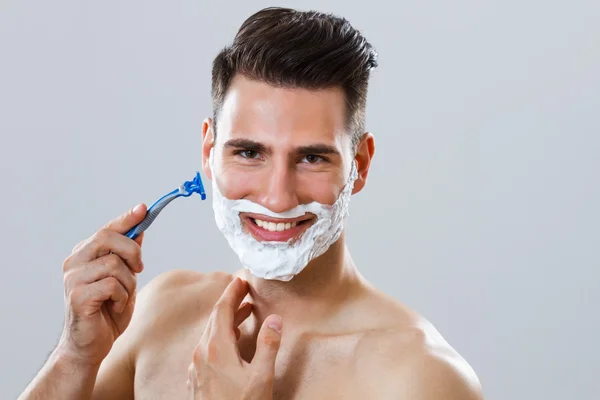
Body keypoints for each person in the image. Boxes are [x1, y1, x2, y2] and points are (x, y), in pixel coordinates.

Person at [19, 7, 484, 400]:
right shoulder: (163, 312)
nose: (278, 197)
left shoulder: (420, 378)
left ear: (359, 165)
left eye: (312, 158)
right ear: (208, 153)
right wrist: (75, 357)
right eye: (249, 152)